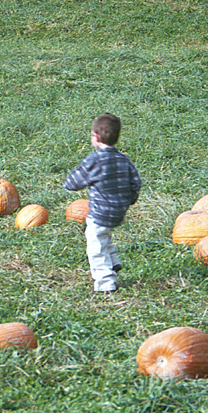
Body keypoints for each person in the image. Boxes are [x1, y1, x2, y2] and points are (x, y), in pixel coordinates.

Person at [64, 113, 142, 293]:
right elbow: (135, 182)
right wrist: (129, 200)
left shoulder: (95, 160)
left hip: (100, 212)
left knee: (95, 244)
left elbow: (75, 180)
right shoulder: (124, 159)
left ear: (96, 137)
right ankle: (113, 262)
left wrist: (69, 184)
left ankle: (105, 282)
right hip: (119, 211)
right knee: (103, 234)